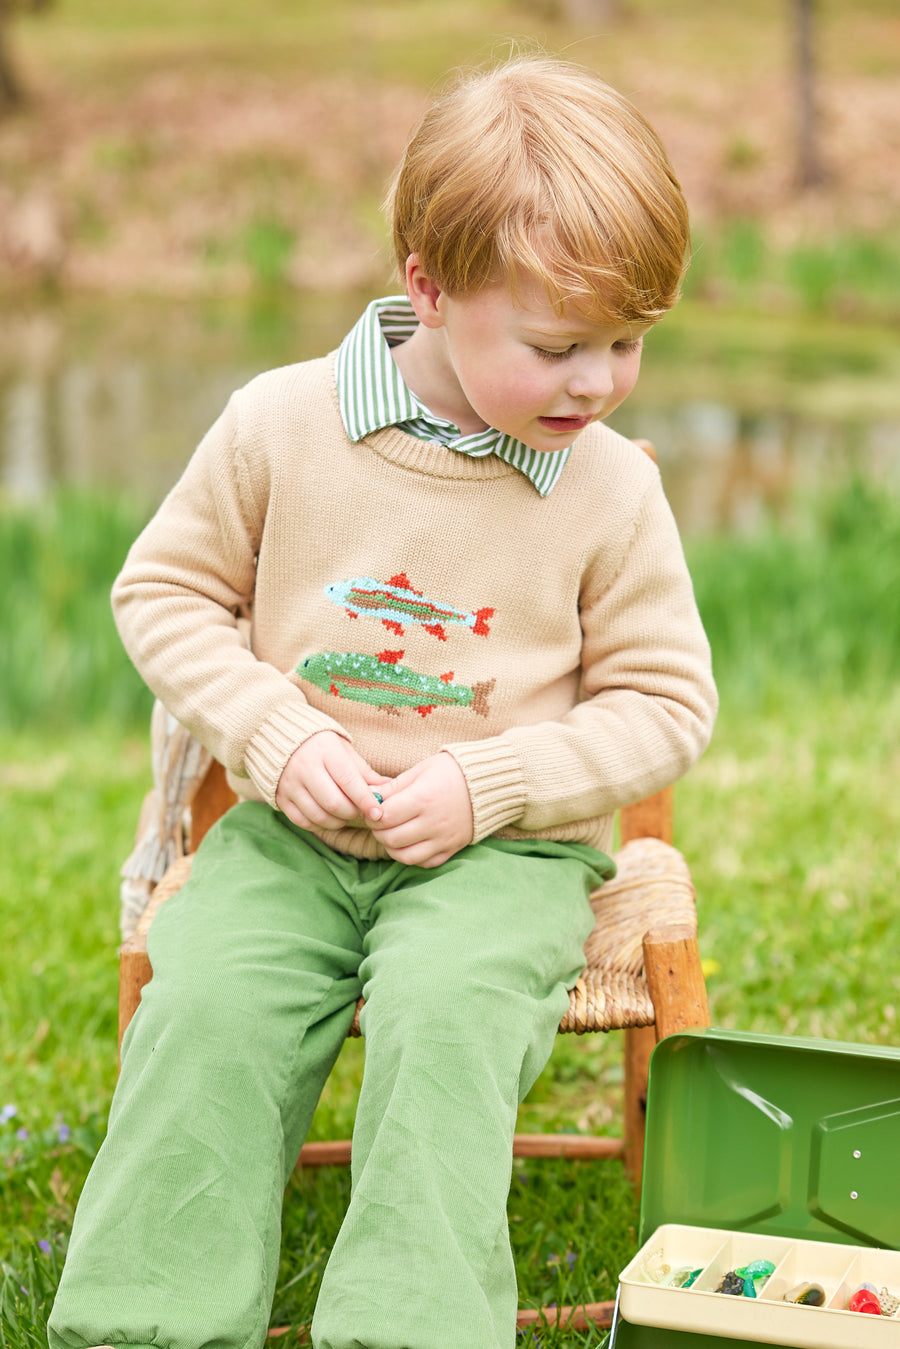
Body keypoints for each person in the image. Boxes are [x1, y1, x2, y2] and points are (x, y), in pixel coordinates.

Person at [49, 54, 717, 1349]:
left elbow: (667, 702)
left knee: (449, 1006)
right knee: (211, 1005)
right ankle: (149, 1320)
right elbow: (163, 594)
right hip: (288, 839)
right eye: (558, 346)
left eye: (629, 344)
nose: (598, 383)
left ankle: (408, 1325)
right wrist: (273, 733)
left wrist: (492, 782)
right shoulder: (280, 427)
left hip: (504, 858)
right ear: (428, 286)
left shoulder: (608, 492)